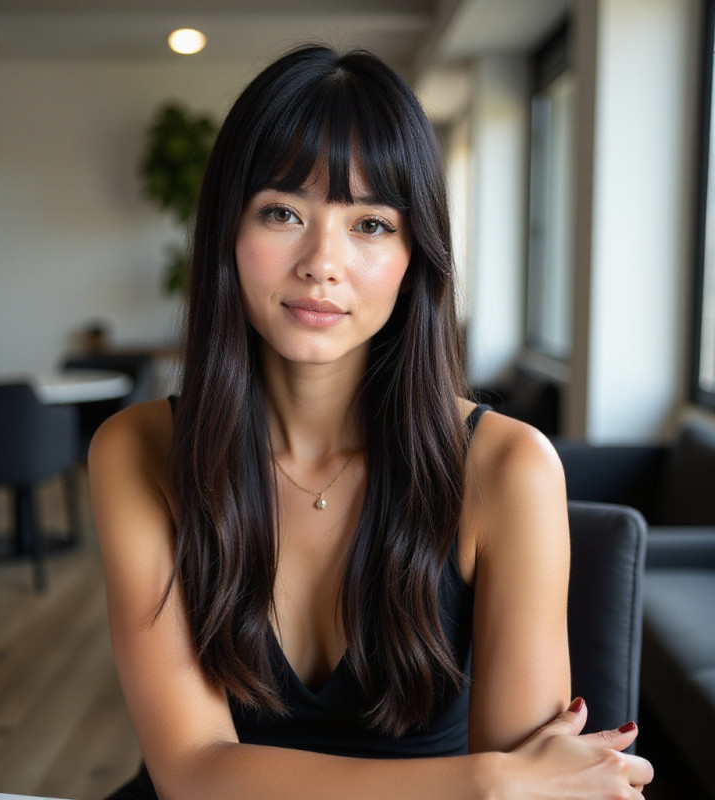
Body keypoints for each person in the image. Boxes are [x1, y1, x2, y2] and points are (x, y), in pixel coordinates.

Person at [89, 45, 654, 799]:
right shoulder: (138, 451)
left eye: (372, 224)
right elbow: (190, 772)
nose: (323, 262)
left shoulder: (507, 467)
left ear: (415, 256)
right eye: (283, 212)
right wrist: (484, 784)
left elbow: (541, 787)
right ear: (228, 231)